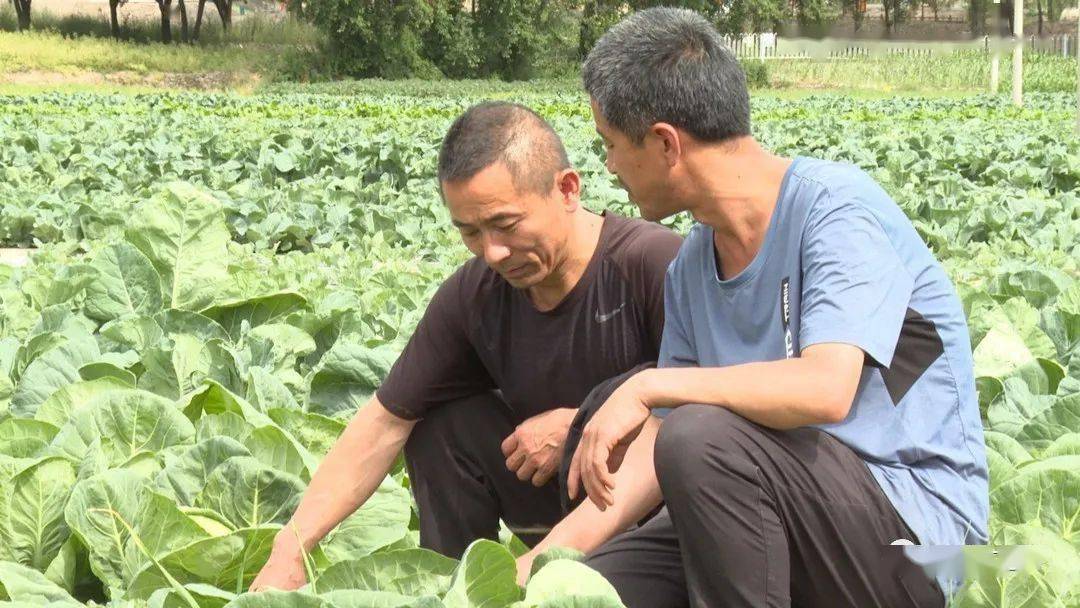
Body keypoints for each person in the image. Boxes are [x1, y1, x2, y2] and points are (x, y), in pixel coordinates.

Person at [566, 8, 990, 608]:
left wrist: (648, 386)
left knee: (700, 435)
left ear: (665, 144)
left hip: (914, 537)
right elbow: (653, 449)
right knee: (592, 588)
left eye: (610, 145)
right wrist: (545, 563)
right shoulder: (692, 266)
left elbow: (825, 389)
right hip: (785, 512)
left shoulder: (835, 212)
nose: (608, 165)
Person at [249, 101, 682, 591]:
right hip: (558, 495)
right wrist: (291, 548)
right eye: (470, 232)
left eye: (506, 224)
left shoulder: (653, 264)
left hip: (663, 515)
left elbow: (716, 410)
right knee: (439, 424)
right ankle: (456, 588)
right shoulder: (474, 294)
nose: (492, 251)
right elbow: (383, 423)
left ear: (567, 189)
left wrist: (586, 423)